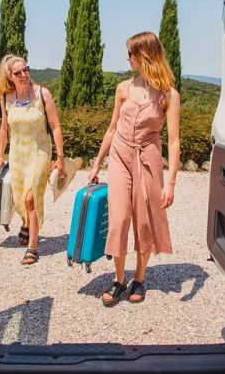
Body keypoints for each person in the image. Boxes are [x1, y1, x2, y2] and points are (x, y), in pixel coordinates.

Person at [88, 31, 181, 306]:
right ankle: (119, 279)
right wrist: (96, 164)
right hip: (119, 155)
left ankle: (139, 277)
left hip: (148, 159)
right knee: (119, 218)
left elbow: (174, 142)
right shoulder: (123, 89)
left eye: (131, 54)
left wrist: (171, 183)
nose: (127, 58)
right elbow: (112, 128)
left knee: (144, 221)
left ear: (144, 56)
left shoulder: (168, 95)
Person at [0, 54, 65, 265]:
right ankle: (26, 223)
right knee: (20, 199)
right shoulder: (6, 98)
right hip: (18, 156)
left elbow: (55, 126)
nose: (24, 74)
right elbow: (4, 127)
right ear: (10, 76)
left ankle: (32, 247)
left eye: (26, 70)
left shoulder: (42, 94)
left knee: (30, 198)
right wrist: (0, 155)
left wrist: (60, 157)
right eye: (18, 72)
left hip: (40, 154)